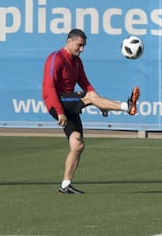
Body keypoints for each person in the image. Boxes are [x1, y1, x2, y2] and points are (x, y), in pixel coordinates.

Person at [42, 28, 140, 194]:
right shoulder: (56, 58)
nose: (82, 49)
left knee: (78, 145)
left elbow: (87, 85)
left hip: (70, 104)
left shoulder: (77, 62)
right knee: (87, 97)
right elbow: (48, 86)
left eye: (84, 46)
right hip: (57, 101)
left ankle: (65, 185)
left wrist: (100, 103)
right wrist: (59, 111)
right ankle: (127, 106)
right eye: (79, 45)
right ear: (69, 40)